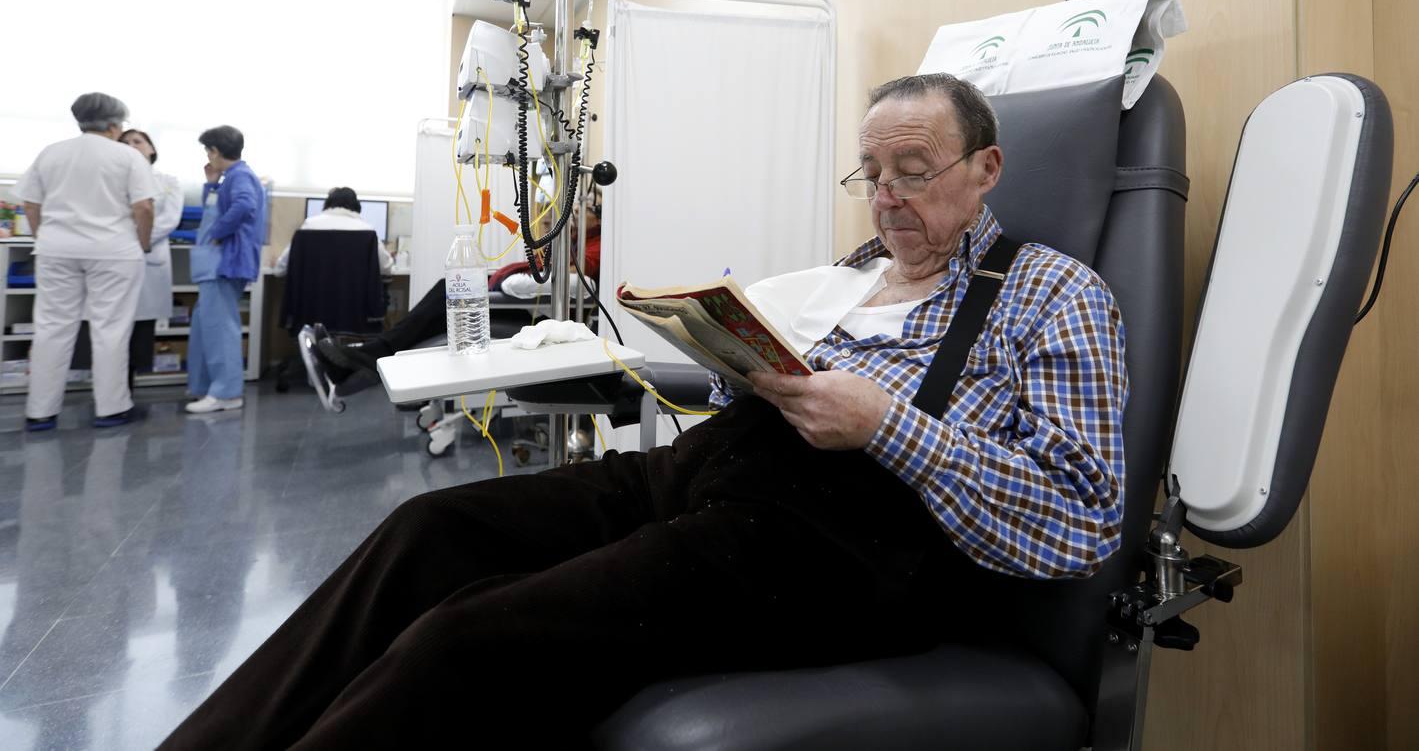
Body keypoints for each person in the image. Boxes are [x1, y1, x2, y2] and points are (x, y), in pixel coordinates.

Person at [160, 74, 1127, 749]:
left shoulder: (1052, 292)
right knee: (427, 530)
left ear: (987, 167)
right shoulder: (853, 272)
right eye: (869, 175)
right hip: (709, 479)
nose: (883, 199)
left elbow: (1081, 522)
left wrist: (887, 426)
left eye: (911, 171)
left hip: (837, 547)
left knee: (471, 638)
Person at [308, 203, 601, 389]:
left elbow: (579, 270)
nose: (574, 215)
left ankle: (366, 355)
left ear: (596, 214)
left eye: (580, 210)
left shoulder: (596, 243)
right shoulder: (578, 238)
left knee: (446, 297)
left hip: (533, 312)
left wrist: (559, 238)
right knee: (443, 296)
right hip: (512, 300)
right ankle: (362, 358)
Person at [16, 92, 155, 431]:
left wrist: (44, 238)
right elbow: (144, 207)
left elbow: (31, 205)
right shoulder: (127, 157)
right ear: (113, 124)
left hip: (56, 249)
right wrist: (143, 243)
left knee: (51, 327)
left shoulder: (51, 153)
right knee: (110, 328)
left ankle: (40, 412)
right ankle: (110, 409)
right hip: (113, 251)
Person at [185, 125, 264, 414]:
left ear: (215, 151)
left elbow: (245, 205)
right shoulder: (230, 178)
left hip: (223, 261)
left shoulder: (241, 176)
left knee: (220, 328)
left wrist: (218, 231)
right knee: (207, 326)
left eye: (208, 150)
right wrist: (211, 182)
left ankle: (227, 393)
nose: (208, 155)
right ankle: (206, 387)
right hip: (214, 264)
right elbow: (219, 204)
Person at [121, 129, 184, 378]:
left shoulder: (168, 181)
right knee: (114, 326)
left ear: (151, 149)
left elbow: (169, 219)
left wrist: (136, 240)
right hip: (116, 257)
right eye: (125, 143)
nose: (132, 146)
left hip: (147, 255)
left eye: (138, 141)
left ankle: (129, 384)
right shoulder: (113, 179)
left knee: (141, 328)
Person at [272, 186, 394, 277]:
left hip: (311, 306)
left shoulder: (308, 226)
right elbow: (386, 268)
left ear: (327, 205)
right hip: (355, 307)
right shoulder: (367, 231)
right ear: (357, 207)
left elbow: (280, 270)